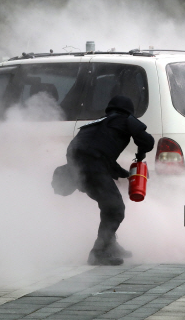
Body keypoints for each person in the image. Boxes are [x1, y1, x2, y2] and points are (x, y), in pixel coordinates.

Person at [66, 95, 154, 266]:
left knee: (109, 206)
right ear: (129, 111)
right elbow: (148, 141)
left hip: (76, 167)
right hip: (92, 166)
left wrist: (125, 173)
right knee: (115, 209)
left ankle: (110, 245)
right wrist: (141, 153)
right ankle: (99, 253)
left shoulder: (96, 123)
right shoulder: (125, 119)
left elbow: (99, 155)